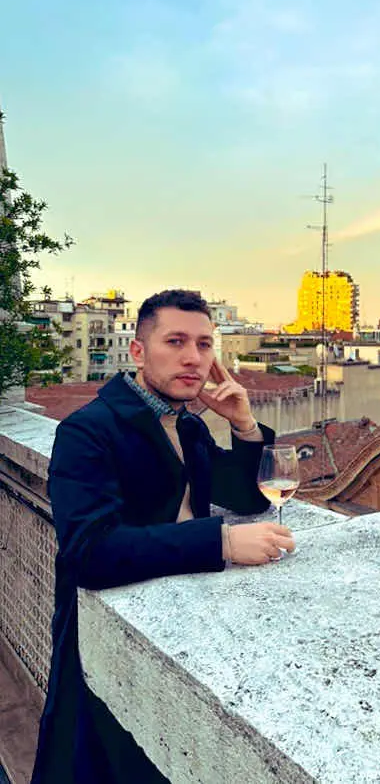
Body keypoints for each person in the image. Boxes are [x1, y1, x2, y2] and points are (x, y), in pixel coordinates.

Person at [31, 289, 294, 784]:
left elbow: (246, 497)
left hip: (186, 616)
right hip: (109, 632)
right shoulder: (88, 432)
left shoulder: (189, 426)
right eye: (176, 341)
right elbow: (89, 552)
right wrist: (221, 543)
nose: (193, 358)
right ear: (138, 351)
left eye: (204, 344)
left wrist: (243, 423)